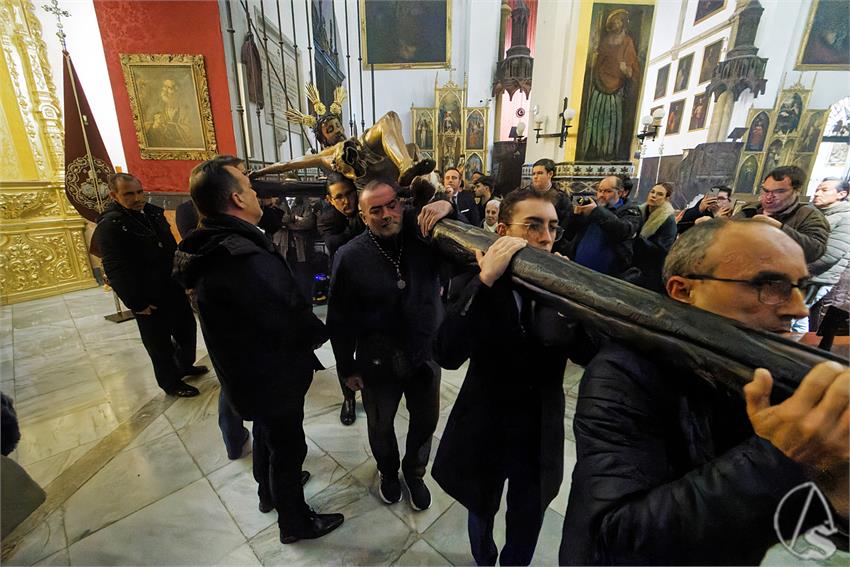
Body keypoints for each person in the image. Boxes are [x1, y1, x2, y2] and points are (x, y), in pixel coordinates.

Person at [560, 219, 849, 565]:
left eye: (800, 286)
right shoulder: (625, 371)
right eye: (770, 285)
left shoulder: (770, 375)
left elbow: (791, 518)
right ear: (683, 290)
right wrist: (779, 455)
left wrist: (839, 493)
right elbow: (618, 539)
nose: (799, 308)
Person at [174, 155, 344, 544]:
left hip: (245, 373)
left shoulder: (213, 240)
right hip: (270, 374)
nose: (255, 192)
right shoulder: (241, 256)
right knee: (288, 447)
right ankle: (295, 523)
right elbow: (284, 310)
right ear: (235, 198)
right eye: (249, 188)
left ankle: (268, 492)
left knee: (267, 436)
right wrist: (319, 331)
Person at [433, 188, 576, 566]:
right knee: (481, 507)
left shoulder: (560, 288)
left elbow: (589, 352)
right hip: (487, 423)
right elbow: (446, 353)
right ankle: (484, 559)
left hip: (539, 428)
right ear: (502, 231)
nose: (545, 238)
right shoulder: (476, 281)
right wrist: (485, 282)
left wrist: (566, 300)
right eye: (533, 226)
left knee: (528, 515)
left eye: (551, 228)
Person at [327, 180, 453, 512]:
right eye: (376, 210)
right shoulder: (350, 256)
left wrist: (448, 208)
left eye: (392, 205)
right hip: (378, 358)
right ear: (364, 215)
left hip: (425, 352)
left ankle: (414, 472)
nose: (387, 214)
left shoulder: (423, 237)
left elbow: (465, 251)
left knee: (426, 421)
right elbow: (339, 318)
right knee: (380, 424)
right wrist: (346, 367)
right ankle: (388, 473)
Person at [93, 173, 205, 398]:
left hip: (172, 286)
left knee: (186, 332)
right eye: (129, 194)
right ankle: (171, 383)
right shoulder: (110, 224)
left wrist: (185, 280)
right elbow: (115, 268)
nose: (137, 197)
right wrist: (136, 302)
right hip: (147, 296)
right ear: (114, 195)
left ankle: (184, 366)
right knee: (159, 345)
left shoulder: (153, 212)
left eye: (139, 192)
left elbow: (172, 249)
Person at [252, 85, 434, 188]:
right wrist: (259, 172)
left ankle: (409, 170)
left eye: (338, 125)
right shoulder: (324, 155)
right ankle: (406, 168)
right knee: (386, 121)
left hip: (380, 162)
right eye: (330, 130)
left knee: (394, 121)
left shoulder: (356, 140)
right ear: (323, 139)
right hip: (368, 173)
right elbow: (287, 164)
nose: (338, 130)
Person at [316, 172, 365, 425]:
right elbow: (338, 245)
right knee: (343, 350)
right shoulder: (327, 219)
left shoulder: (365, 210)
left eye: (349, 194)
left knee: (367, 346)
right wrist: (362, 219)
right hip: (343, 293)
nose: (346, 201)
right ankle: (348, 398)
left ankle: (367, 390)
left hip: (367, 291)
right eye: (339, 197)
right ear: (330, 199)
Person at [578, 8, 639, 161]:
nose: (616, 23)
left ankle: (608, 151)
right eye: (615, 20)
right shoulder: (605, 41)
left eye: (619, 20)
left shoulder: (627, 42)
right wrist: (593, 61)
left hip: (616, 87)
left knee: (612, 121)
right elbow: (597, 61)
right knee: (595, 118)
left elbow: (631, 68)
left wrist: (626, 69)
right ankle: (594, 148)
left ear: (623, 23)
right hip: (600, 83)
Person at [735, 166, 829, 264]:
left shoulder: (808, 215)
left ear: (797, 190)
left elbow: (815, 251)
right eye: (766, 190)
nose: (769, 197)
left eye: (779, 191)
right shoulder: (749, 210)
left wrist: (779, 228)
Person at [795, 178, 850, 332]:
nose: (817, 193)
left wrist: (793, 267)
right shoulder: (812, 213)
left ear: (841, 194)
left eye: (824, 190)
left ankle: (796, 349)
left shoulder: (846, 218)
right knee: (796, 315)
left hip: (817, 278)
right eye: (817, 189)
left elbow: (830, 255)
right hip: (800, 273)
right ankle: (801, 348)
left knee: (793, 313)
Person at [564, 175, 642, 276]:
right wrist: (576, 215)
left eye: (607, 191)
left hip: (607, 274)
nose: (601, 195)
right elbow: (570, 232)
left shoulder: (631, 211)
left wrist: (596, 211)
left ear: (620, 193)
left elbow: (623, 231)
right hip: (577, 267)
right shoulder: (593, 206)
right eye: (600, 190)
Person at [623, 182, 677, 292]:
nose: (654, 196)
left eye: (660, 194)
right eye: (652, 192)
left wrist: (639, 239)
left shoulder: (668, 220)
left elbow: (663, 250)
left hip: (651, 271)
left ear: (667, 198)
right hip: (632, 263)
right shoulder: (639, 211)